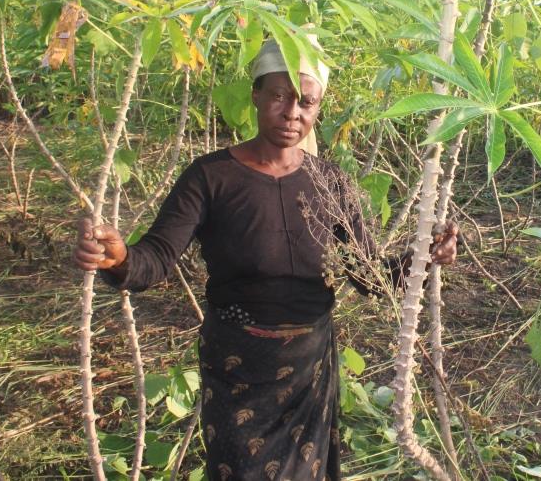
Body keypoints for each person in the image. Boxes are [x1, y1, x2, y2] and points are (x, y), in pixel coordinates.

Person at [72, 38, 458, 481]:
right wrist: (118, 258)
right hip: (239, 365)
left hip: (310, 366)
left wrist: (423, 258)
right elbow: (155, 259)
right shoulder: (210, 177)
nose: (293, 113)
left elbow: (369, 276)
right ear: (255, 95)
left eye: (306, 102)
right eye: (279, 96)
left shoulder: (329, 182)